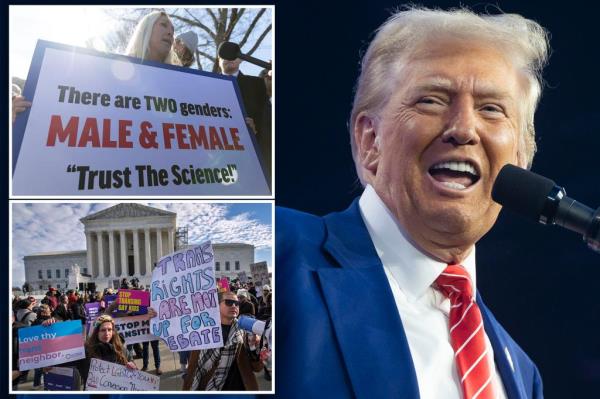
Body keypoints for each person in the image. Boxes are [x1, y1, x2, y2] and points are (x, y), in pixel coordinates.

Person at [276, 6, 548, 399]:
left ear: (520, 161)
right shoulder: (279, 251)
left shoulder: (522, 374)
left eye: (491, 109)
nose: (464, 129)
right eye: (432, 101)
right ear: (370, 141)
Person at [183, 291, 263, 391]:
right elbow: (193, 366)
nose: (234, 306)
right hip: (207, 387)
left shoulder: (247, 331)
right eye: (229, 302)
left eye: (237, 303)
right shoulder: (203, 330)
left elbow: (257, 368)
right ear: (217, 305)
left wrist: (255, 349)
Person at [218, 48, 268, 137]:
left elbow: (266, 115)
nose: (230, 58)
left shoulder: (259, 84)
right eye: (225, 55)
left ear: (240, 59)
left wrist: (256, 129)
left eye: (234, 55)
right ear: (218, 60)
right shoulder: (206, 85)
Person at [79, 314, 136, 385]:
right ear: (97, 333)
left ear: (113, 332)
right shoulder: (86, 351)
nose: (107, 333)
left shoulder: (122, 350)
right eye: (103, 330)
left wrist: (133, 367)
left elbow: (135, 374)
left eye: (109, 330)